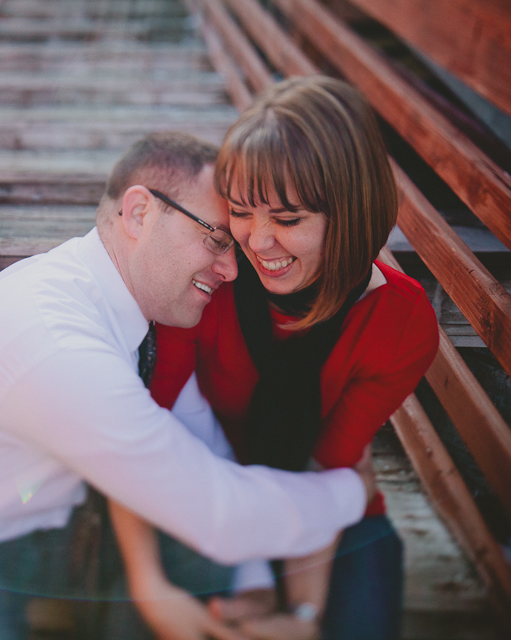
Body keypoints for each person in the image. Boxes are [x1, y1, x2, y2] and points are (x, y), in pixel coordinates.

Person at [0, 131, 377, 640]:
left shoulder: (115, 298)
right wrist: (350, 492)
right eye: (216, 240)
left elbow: (193, 436)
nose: (230, 269)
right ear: (139, 214)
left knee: (209, 581)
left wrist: (250, 581)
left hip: (63, 514)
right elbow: (214, 512)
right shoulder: (57, 341)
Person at [110, 77, 439, 640]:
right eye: (240, 212)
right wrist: (150, 581)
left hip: (326, 512)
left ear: (350, 212)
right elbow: (142, 431)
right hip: (200, 484)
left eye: (288, 220)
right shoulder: (204, 281)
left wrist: (301, 616)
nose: (257, 242)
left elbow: (331, 469)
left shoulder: (399, 324)